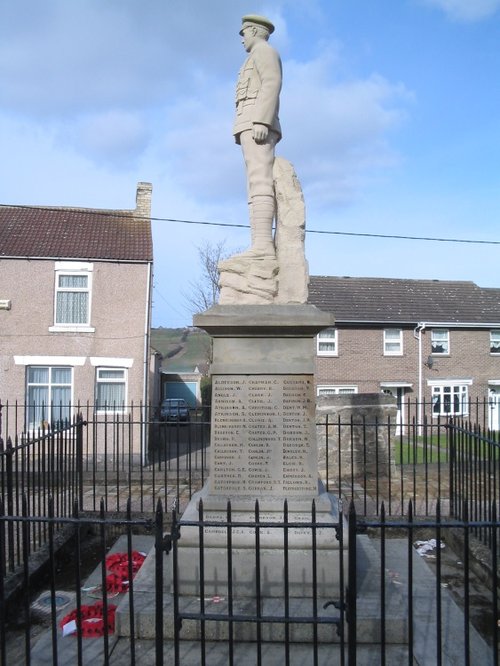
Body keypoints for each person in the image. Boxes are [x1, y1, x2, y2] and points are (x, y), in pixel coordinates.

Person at [233, 14, 282, 259]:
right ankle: (258, 244)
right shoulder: (254, 56)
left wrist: (262, 119)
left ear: (253, 31)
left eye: (244, 33)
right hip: (247, 121)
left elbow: (272, 82)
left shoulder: (265, 52)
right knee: (253, 183)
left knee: (260, 179)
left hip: (257, 122)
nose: (242, 39)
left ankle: (263, 246)